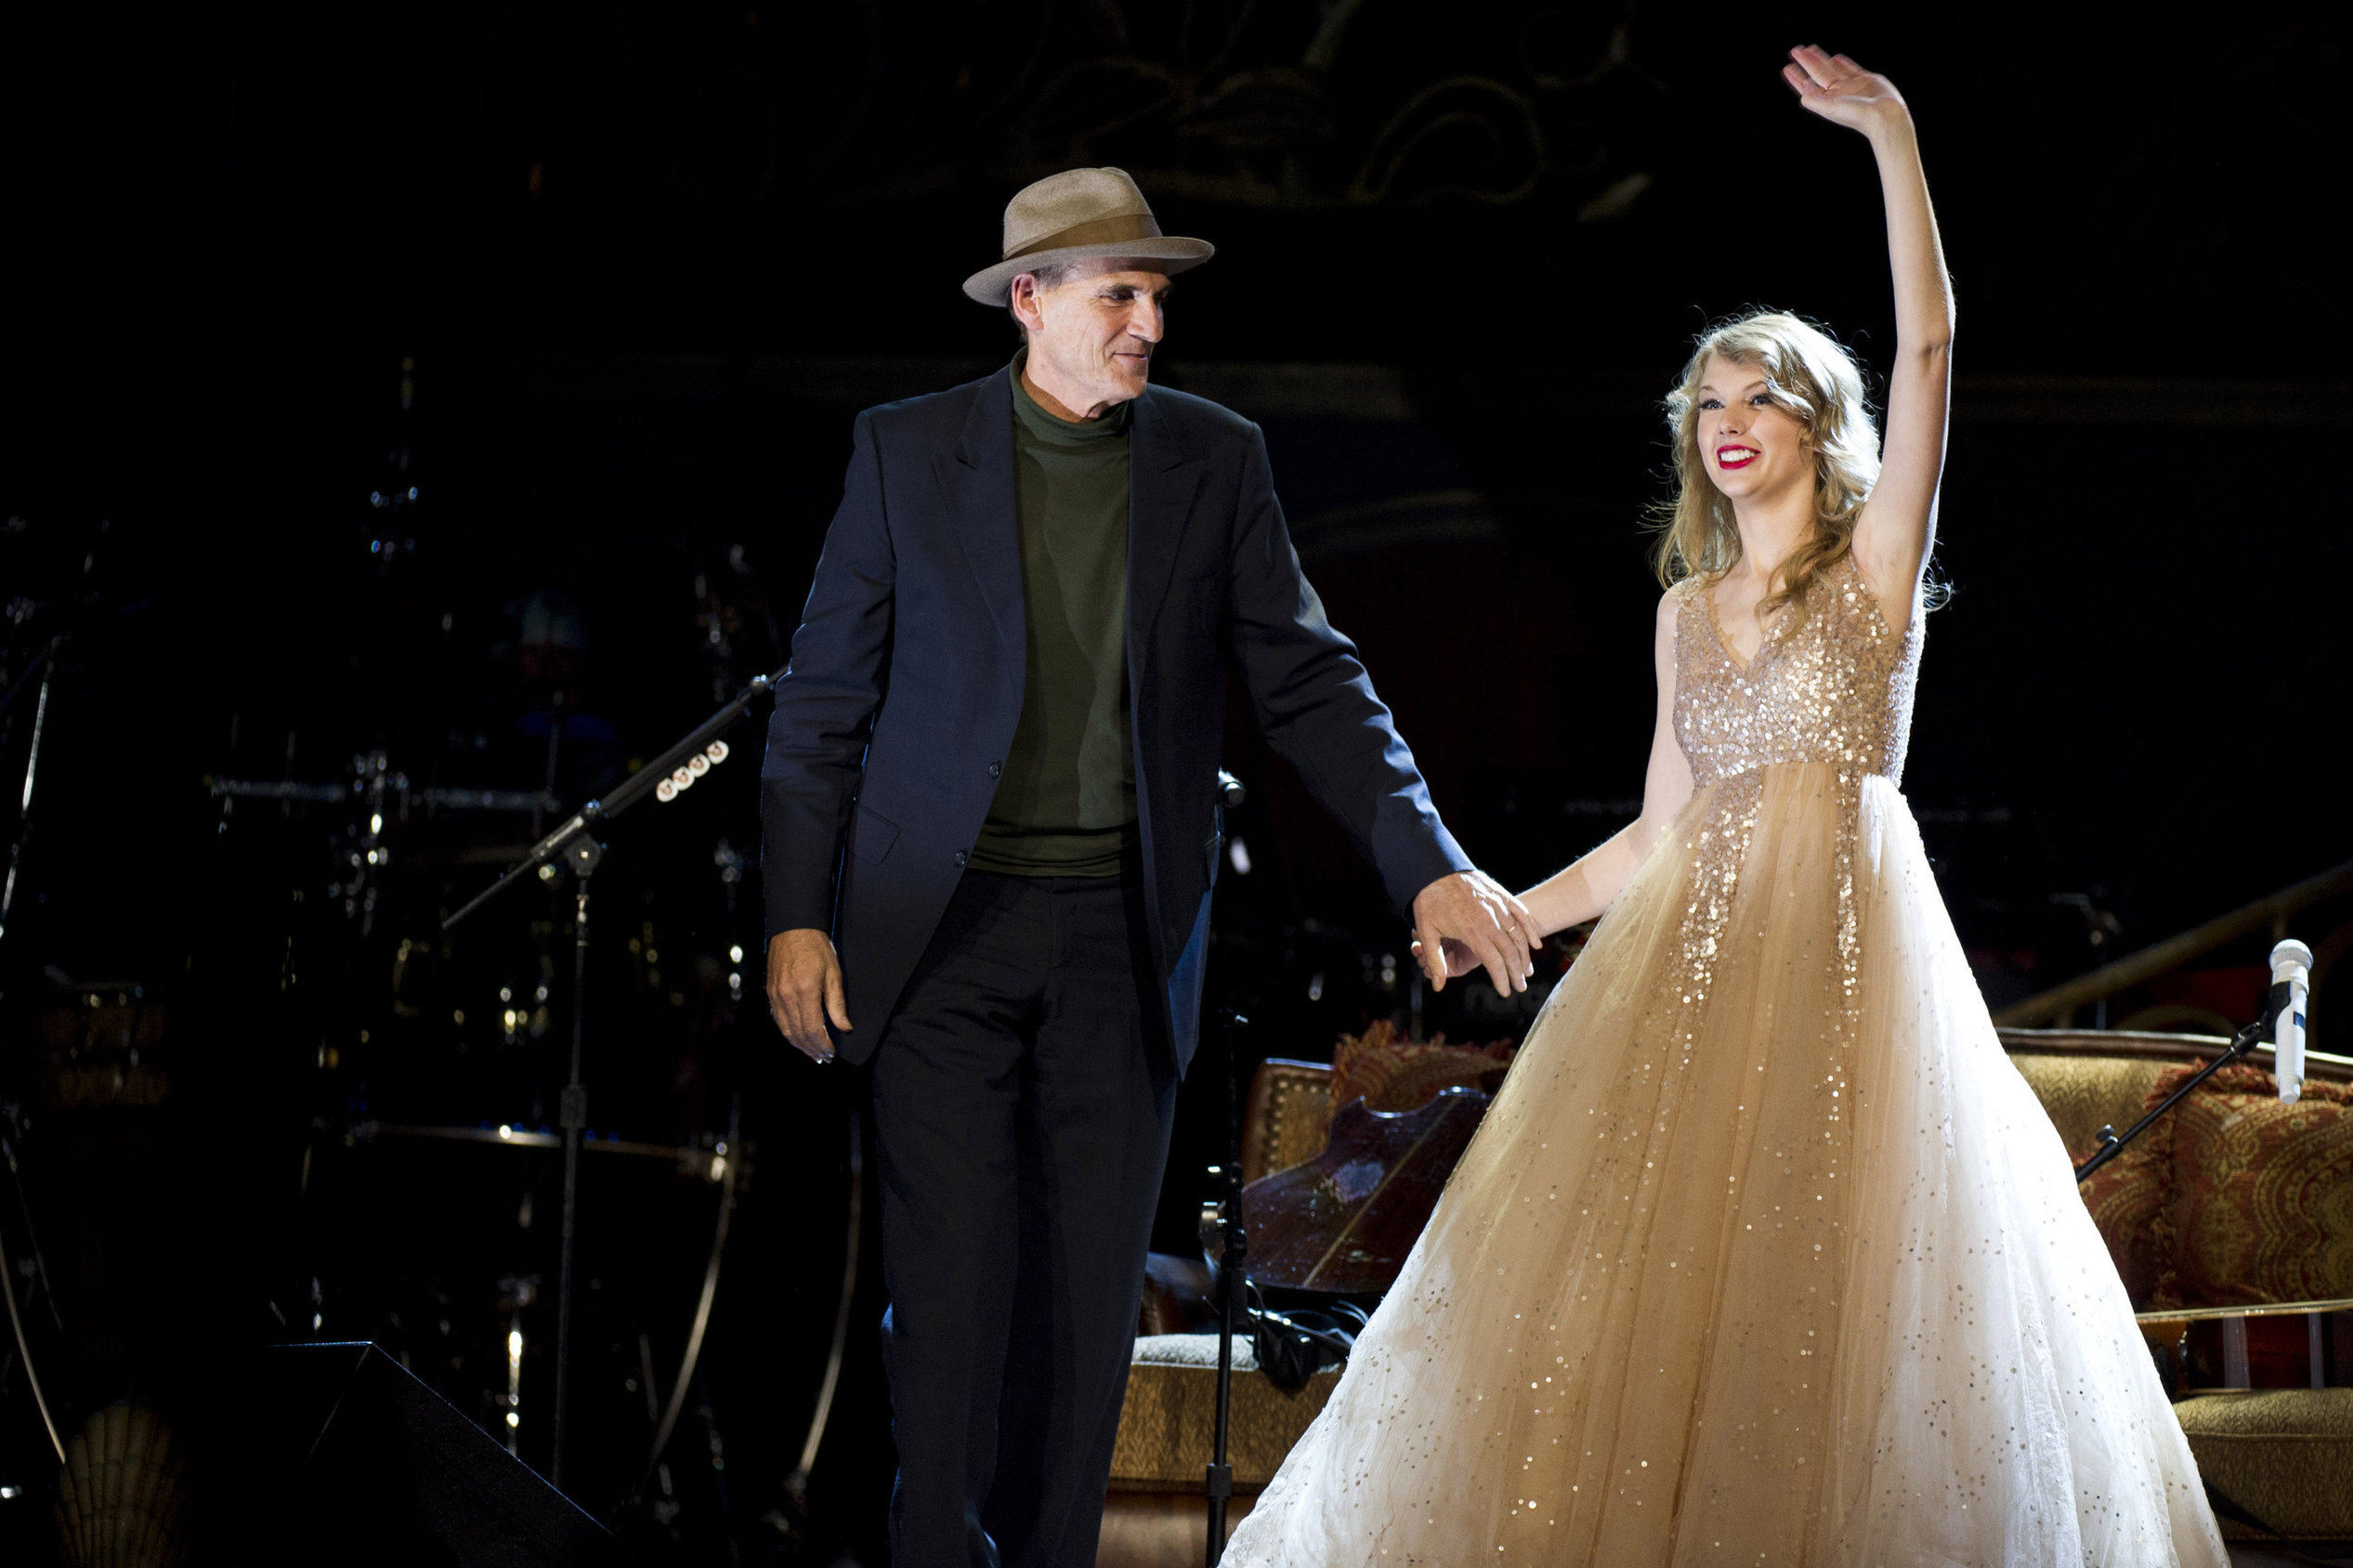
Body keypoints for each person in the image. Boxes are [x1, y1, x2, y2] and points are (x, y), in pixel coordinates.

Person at [1224, 47, 2228, 1565]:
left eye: (1759, 396)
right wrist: (1511, 907)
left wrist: (1891, 138)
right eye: (1706, 401)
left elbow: (1932, 352)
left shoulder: (1871, 572)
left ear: (1819, 425)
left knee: (1841, 1288)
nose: (1727, 418)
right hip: (1688, 975)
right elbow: (1656, 832)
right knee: (1645, 1303)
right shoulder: (1686, 611)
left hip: (1846, 970)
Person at [757, 166, 1541, 1568]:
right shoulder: (905, 450)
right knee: (946, 1297)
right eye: (1120, 295)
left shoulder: (1210, 457)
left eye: (1158, 298)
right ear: (1030, 299)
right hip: (932, 932)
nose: (1148, 326)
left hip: (1121, 937)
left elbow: (1311, 682)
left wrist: (1423, 859)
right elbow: (820, 711)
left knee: (1083, 1304)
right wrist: (794, 923)